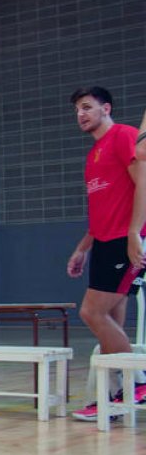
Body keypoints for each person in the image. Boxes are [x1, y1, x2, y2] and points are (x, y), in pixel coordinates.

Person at [65, 87, 146, 421]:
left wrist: (133, 234)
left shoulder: (126, 136)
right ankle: (116, 397)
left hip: (124, 240)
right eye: (77, 110)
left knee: (91, 312)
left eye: (87, 107)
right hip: (104, 242)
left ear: (106, 108)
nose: (81, 114)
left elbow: (144, 183)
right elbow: (101, 210)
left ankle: (138, 383)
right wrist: (82, 248)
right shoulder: (94, 153)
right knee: (110, 321)